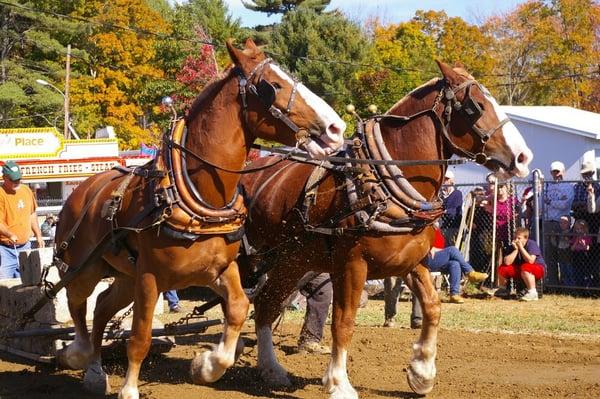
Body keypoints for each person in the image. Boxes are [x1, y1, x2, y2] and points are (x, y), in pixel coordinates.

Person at [0, 161, 45, 279]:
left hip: (25, 246)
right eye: (13, 180)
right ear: (4, 177)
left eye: (18, 179)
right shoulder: (1, 194)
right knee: (4, 284)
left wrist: (38, 235)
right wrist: (9, 234)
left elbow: (32, 214)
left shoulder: (26, 190)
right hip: (5, 250)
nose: (16, 182)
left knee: (28, 282)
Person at [424, 227, 488, 303]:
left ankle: (454, 294)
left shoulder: (435, 228)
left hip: (438, 259)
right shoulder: (423, 228)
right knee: (452, 250)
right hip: (427, 259)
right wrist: (429, 247)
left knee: (455, 264)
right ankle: (470, 272)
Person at [543, 161, 573, 286]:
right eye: (553, 172)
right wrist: (555, 202)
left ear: (563, 171)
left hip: (562, 223)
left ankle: (567, 284)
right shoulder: (547, 186)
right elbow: (542, 204)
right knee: (550, 256)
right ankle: (553, 283)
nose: (556, 174)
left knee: (564, 256)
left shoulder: (568, 187)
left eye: (558, 171)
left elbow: (565, 205)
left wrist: (550, 201)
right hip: (548, 222)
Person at [497, 227, 545, 301]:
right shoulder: (513, 246)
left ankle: (532, 292)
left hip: (537, 269)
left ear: (526, 238)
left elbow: (530, 261)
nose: (516, 240)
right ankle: (503, 290)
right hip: (522, 270)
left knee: (526, 267)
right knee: (503, 268)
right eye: (515, 237)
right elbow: (507, 262)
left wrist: (521, 248)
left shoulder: (531, 244)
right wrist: (516, 250)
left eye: (519, 238)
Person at [297, 272, 332, 354]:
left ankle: (309, 341)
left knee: (323, 290)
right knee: (280, 299)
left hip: (314, 268)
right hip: (286, 265)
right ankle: (263, 335)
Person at [440, 170, 463, 245]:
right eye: (443, 178)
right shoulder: (440, 194)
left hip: (453, 225)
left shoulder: (457, 194)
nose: (444, 180)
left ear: (451, 181)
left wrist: (444, 211)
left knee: (449, 244)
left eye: (446, 179)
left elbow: (455, 210)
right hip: (441, 224)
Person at [570, 219, 592, 287]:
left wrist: (582, 243)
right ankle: (577, 286)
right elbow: (572, 248)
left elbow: (587, 248)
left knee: (585, 272)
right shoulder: (575, 237)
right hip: (576, 255)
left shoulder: (587, 237)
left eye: (581, 229)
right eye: (577, 229)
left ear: (585, 229)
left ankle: (585, 286)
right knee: (576, 272)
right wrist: (576, 241)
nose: (579, 230)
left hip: (584, 255)